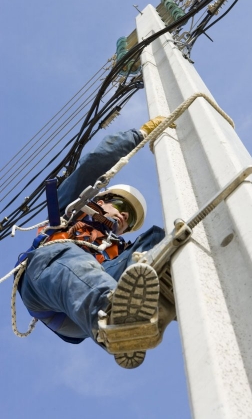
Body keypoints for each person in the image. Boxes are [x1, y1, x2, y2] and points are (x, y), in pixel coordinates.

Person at [18, 117, 170, 368]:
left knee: (155, 244)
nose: (123, 216)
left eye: (129, 219)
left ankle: (149, 307)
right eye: (120, 206)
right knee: (69, 255)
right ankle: (115, 317)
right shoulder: (72, 210)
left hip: (81, 316)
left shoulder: (119, 250)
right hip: (46, 279)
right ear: (100, 200)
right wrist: (139, 135)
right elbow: (94, 164)